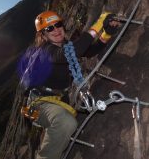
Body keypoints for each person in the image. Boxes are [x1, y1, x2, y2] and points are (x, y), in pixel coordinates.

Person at [19, 10, 120, 159]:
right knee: (67, 123)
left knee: (63, 122)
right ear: (43, 35)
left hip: (58, 102)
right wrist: (99, 24)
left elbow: (89, 51)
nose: (56, 29)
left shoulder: (65, 45)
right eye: (49, 28)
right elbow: (74, 51)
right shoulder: (45, 51)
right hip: (39, 104)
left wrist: (106, 34)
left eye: (58, 24)